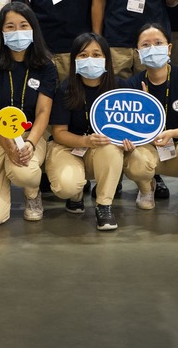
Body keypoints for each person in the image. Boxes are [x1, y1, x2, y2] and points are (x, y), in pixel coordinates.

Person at [0, 2, 57, 225]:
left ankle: (32, 193)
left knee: (25, 173)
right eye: (10, 26)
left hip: (29, 137)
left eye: (23, 25)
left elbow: (43, 111)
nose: (17, 31)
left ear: (33, 29)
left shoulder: (46, 64)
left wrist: (29, 144)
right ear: (0, 31)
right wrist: (9, 147)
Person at [45, 33, 141, 230]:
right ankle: (76, 193)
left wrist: (130, 141)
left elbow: (132, 126)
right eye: (83, 55)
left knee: (111, 147)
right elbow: (59, 132)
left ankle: (104, 206)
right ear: (74, 60)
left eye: (97, 55)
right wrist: (86, 141)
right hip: (68, 147)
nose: (90, 60)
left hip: (102, 150)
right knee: (66, 186)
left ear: (106, 59)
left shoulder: (120, 87)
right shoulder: (66, 88)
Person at [120, 23, 178, 221]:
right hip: (148, 150)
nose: (152, 49)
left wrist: (171, 133)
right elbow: (128, 131)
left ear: (169, 48)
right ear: (138, 52)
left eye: (158, 43)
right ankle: (146, 189)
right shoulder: (132, 85)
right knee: (132, 157)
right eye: (145, 45)